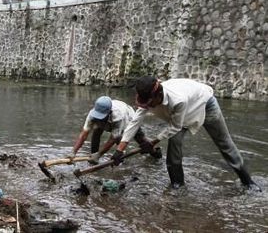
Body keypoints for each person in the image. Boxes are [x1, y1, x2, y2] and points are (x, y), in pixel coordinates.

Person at [111, 76, 260, 191]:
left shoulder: (177, 100)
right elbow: (134, 123)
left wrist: (153, 142)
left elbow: (175, 127)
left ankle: (247, 181)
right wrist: (119, 150)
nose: (147, 107)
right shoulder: (147, 97)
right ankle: (177, 184)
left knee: (224, 143)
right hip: (178, 116)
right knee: (174, 144)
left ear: (158, 95)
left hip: (204, 105)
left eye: (150, 104)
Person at [70, 96, 161, 164]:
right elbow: (84, 134)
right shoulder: (92, 114)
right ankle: (93, 159)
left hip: (129, 119)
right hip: (111, 120)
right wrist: (74, 151)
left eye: (101, 117)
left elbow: (113, 138)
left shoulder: (118, 116)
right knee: (96, 132)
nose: (99, 119)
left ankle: (155, 153)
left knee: (140, 141)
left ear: (109, 112)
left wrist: (100, 154)